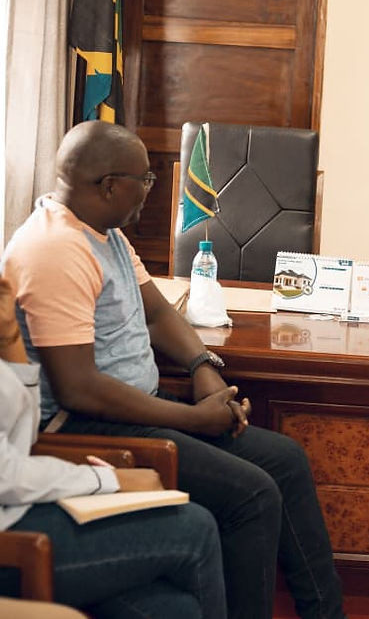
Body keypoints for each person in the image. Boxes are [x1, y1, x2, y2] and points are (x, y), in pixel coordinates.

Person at [1, 121, 345, 619]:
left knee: (284, 458)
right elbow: (78, 390)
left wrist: (204, 368)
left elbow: (159, 313)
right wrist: (193, 418)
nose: (149, 190)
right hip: (88, 425)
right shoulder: (54, 249)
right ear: (109, 185)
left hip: (140, 409)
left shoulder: (104, 233)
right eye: (144, 180)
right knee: (251, 496)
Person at [0, 275, 227, 618]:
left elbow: (22, 437)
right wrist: (108, 481)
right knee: (195, 529)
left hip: (19, 507)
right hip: (13, 539)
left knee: (173, 609)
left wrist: (10, 339)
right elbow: (7, 474)